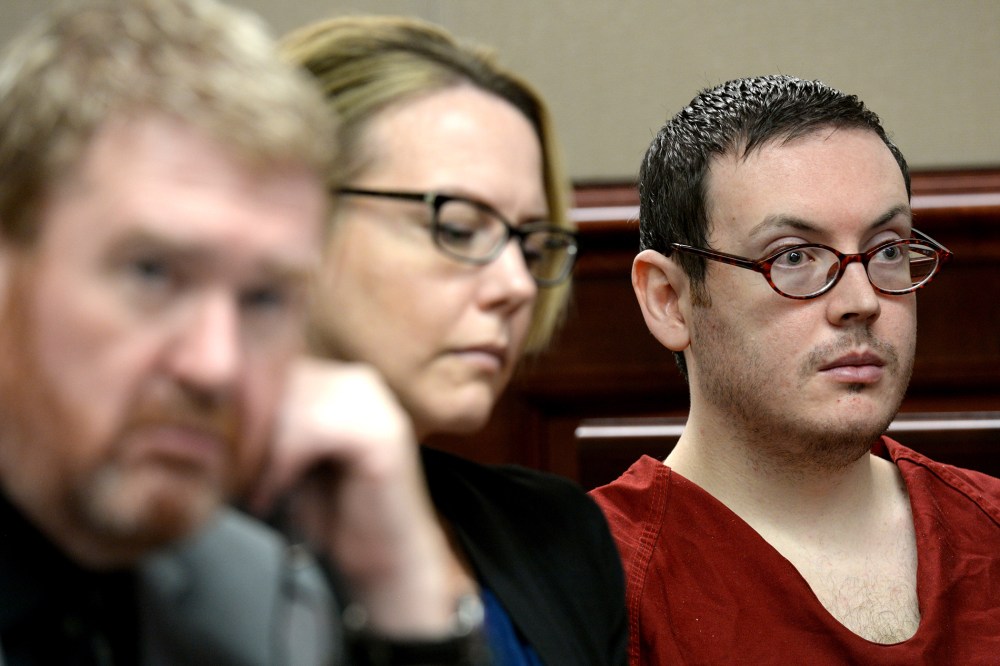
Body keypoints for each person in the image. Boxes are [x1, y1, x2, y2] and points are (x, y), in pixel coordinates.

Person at [0, 1, 470, 664]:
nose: (215, 364)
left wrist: (406, 596)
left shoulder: (260, 598)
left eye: (263, 299)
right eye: (152, 272)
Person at [589, 74, 1000, 663]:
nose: (860, 300)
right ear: (669, 300)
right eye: (793, 257)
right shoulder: (592, 582)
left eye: (887, 248)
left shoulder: (988, 527)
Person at [276, 15, 627, 665]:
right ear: (290, 218)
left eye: (529, 242)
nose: (518, 285)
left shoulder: (558, 533)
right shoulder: (160, 536)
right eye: (460, 229)